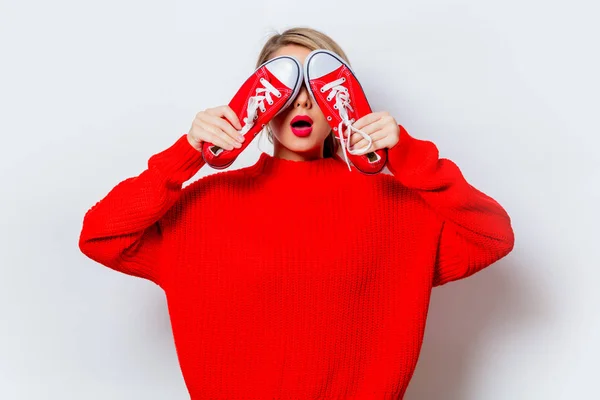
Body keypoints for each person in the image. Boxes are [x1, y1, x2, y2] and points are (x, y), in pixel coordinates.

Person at [79, 27, 515, 399]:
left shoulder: (395, 206)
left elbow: (493, 235)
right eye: (284, 90)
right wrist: (187, 153)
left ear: (343, 103)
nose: (302, 102)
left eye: (318, 88)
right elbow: (100, 236)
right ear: (260, 109)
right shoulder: (203, 206)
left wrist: (405, 155)